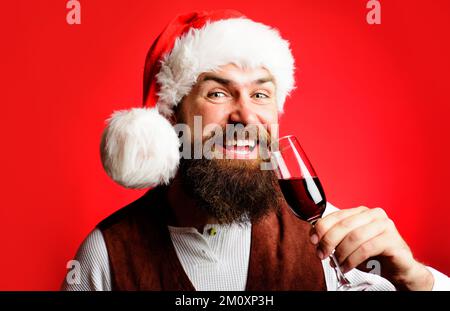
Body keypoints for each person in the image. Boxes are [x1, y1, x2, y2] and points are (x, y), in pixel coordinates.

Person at [62, 10, 449, 291]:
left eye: (261, 94)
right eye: (218, 92)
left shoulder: (331, 236)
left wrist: (416, 279)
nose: (246, 116)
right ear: (170, 117)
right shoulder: (105, 256)